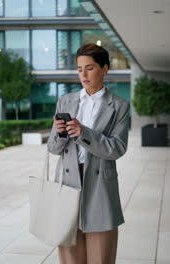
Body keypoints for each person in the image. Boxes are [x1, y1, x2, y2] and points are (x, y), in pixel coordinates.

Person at [47, 43, 130, 264]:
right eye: (79, 68)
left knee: (100, 257)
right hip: (67, 183)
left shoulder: (119, 106)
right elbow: (53, 148)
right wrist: (62, 134)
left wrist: (84, 133)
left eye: (90, 68)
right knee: (70, 257)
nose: (83, 74)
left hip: (100, 183)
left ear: (105, 69)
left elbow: (117, 148)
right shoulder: (65, 101)